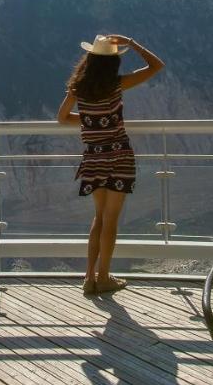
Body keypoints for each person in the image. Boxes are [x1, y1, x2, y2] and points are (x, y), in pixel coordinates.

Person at [57, 34, 164, 295]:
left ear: (90, 59)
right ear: (113, 62)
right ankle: (104, 277)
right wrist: (134, 42)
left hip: (93, 157)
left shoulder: (77, 87)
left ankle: (89, 277)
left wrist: (91, 120)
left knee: (98, 218)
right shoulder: (118, 84)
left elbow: (62, 118)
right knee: (111, 220)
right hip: (119, 156)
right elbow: (156, 66)